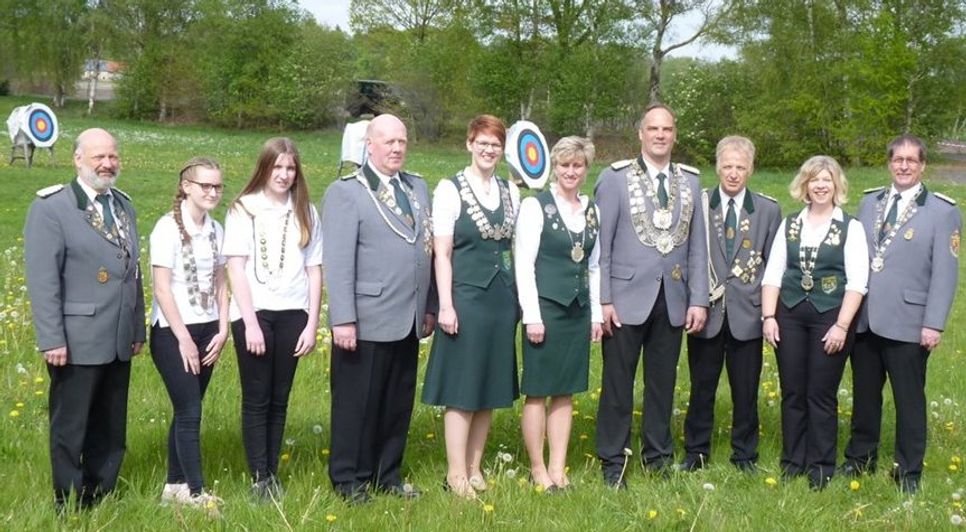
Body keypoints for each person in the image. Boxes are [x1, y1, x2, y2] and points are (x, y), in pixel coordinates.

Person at [24, 128, 146, 512]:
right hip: (75, 340)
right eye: (99, 157)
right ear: (78, 159)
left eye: (112, 156)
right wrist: (51, 339)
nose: (108, 164)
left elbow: (133, 273)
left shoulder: (124, 206)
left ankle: (102, 493)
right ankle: (69, 499)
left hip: (117, 337)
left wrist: (137, 328)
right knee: (71, 426)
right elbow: (43, 280)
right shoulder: (52, 207)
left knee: (110, 426)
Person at [323, 114, 436, 504]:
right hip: (365, 318)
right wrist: (343, 319)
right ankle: (348, 478)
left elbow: (427, 250)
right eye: (388, 141)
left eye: (402, 141)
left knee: (396, 401)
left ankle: (387, 474)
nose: (397, 148)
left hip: (408, 317)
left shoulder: (417, 187)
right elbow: (337, 261)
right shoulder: (347, 192)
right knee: (357, 402)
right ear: (369, 145)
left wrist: (430, 305)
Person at [594, 103, 708, 487]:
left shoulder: (690, 181)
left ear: (675, 135)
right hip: (625, 299)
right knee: (617, 384)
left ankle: (658, 457)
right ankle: (614, 461)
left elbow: (697, 246)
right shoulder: (615, 178)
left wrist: (698, 299)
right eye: (653, 129)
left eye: (668, 129)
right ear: (640, 134)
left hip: (673, 298)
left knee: (662, 384)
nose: (661, 135)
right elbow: (602, 245)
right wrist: (604, 300)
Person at [841, 134, 961, 494]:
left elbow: (945, 273)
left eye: (912, 160)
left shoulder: (942, 211)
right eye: (898, 160)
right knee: (864, 396)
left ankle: (908, 471)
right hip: (866, 320)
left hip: (909, 324)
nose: (904, 166)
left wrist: (933, 324)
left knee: (909, 401)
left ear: (923, 165)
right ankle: (860, 458)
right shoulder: (870, 203)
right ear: (889, 163)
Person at [422, 114, 520, 499]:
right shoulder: (449, 189)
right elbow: (442, 253)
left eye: (495, 143)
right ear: (469, 143)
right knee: (463, 390)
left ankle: (476, 468)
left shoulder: (511, 190)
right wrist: (445, 305)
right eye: (482, 141)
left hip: (501, 301)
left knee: (490, 387)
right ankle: (455, 474)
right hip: (465, 299)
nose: (488, 149)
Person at [760, 155, 868, 490]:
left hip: (830, 318)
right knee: (793, 392)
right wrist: (768, 317)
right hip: (789, 315)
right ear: (804, 185)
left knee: (820, 394)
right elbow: (773, 273)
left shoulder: (851, 227)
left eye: (827, 180)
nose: (820, 186)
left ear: (837, 185)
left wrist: (842, 325)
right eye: (814, 180)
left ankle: (821, 466)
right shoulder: (790, 224)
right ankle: (793, 461)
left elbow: (857, 281)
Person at [223, 138, 322, 501]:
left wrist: (312, 324)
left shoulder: (307, 211)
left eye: (290, 168)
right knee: (257, 397)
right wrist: (250, 322)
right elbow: (236, 266)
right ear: (264, 168)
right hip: (255, 314)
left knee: (280, 398)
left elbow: (314, 269)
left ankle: (272, 474)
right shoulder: (243, 209)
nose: (283, 175)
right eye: (277, 167)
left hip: (293, 314)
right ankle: (258, 475)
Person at [681, 136, 781, 473]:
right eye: (727, 166)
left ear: (751, 169)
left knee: (746, 391)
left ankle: (744, 455)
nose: (734, 173)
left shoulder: (768, 210)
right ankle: (696, 453)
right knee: (702, 388)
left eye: (740, 167)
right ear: (717, 166)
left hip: (747, 315)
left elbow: (773, 266)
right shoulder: (699, 204)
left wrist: (768, 312)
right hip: (706, 314)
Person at [514, 136, 603, 491]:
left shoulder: (593, 209)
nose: (571, 171)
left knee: (565, 392)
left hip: (578, 312)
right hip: (545, 311)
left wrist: (596, 315)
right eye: (565, 165)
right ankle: (537, 468)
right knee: (538, 392)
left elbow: (595, 266)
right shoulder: (537, 206)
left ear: (585, 169)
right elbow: (525, 263)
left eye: (577, 165)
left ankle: (558, 467)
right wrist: (531, 315)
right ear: (555, 167)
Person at [149, 157, 229, 511]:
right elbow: (162, 289)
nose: (212, 192)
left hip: (208, 329)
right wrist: (182, 337)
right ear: (186, 187)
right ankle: (197, 492)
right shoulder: (166, 228)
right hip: (173, 331)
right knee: (190, 410)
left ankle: (174, 486)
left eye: (217, 186)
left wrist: (224, 328)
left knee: (187, 409)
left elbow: (222, 282)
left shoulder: (217, 229)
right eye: (205, 186)